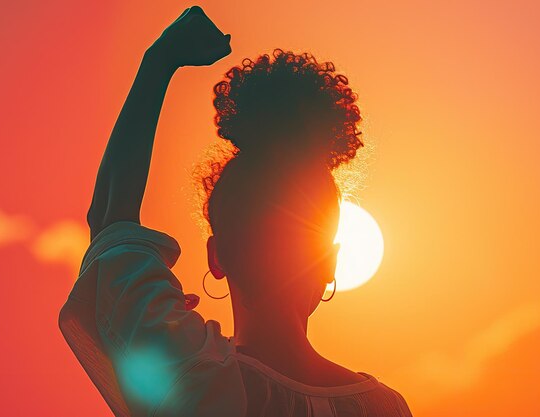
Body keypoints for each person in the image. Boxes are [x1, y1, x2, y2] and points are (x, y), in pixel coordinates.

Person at [59, 5, 413, 417]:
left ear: (217, 256)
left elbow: (109, 222)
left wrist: (159, 61)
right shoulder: (386, 407)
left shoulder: (197, 379)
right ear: (331, 261)